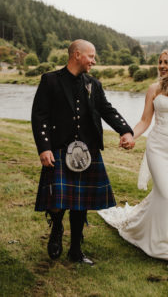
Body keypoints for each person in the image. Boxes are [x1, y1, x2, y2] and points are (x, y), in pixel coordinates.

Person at [98, 48, 168, 269]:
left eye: (165, 62)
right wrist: (130, 135)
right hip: (158, 149)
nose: (161, 66)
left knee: (167, 200)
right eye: (159, 62)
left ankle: (144, 232)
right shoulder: (153, 89)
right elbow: (144, 120)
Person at [31, 39, 135, 265]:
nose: (94, 61)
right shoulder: (50, 81)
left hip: (86, 153)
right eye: (91, 56)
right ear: (77, 55)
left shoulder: (93, 84)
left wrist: (125, 131)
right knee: (58, 202)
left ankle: (76, 251)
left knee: (80, 204)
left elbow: (107, 110)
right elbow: (40, 116)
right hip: (59, 148)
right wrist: (44, 148)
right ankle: (57, 227)